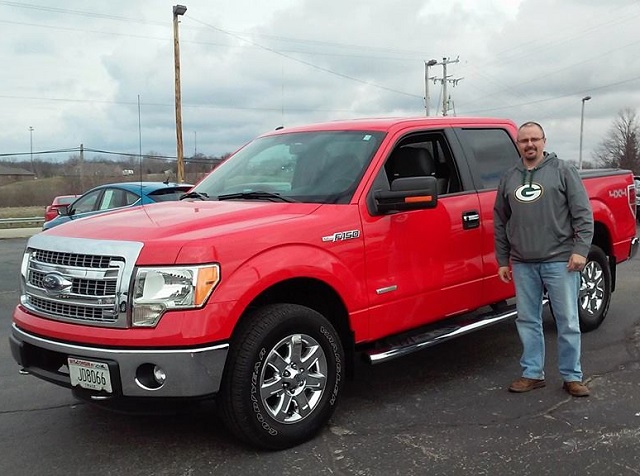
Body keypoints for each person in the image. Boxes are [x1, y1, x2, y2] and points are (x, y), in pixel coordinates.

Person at [494, 121, 594, 397]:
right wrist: (503, 259)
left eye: (534, 139)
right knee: (527, 320)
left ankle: (572, 376)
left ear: (544, 141)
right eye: (524, 140)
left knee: (568, 321)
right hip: (523, 262)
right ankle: (532, 373)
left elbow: (583, 214)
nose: (529, 145)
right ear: (517, 144)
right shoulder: (509, 177)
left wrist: (580, 250)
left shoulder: (563, 171)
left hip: (560, 261)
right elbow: (501, 221)